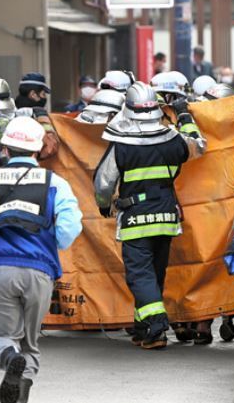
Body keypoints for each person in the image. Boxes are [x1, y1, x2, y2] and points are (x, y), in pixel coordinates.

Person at [0, 116, 82, 403]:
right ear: (37, 150)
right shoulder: (55, 183)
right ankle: (22, 386)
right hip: (39, 272)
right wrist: (52, 244)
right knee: (30, 342)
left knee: (1, 337)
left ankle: (9, 358)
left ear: (6, 149)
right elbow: (71, 226)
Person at [94, 82, 206, 349]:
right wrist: (184, 115)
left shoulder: (121, 143)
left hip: (135, 218)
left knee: (140, 275)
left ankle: (156, 329)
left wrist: (103, 204)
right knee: (154, 275)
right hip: (167, 217)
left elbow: (103, 182)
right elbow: (199, 146)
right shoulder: (172, 139)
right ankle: (142, 327)